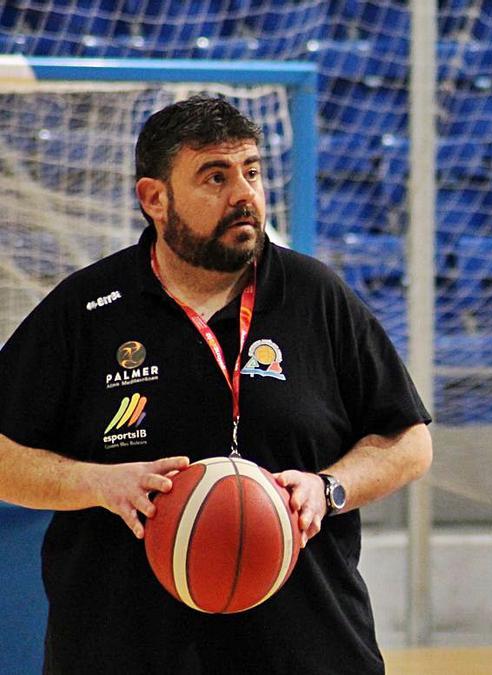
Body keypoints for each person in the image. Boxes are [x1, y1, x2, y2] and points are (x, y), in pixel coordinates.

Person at [0, 96, 433, 674]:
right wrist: (98, 483)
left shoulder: (315, 295)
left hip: (306, 652)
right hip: (122, 651)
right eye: (215, 176)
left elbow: (408, 442)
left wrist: (328, 488)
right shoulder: (88, 310)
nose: (244, 195)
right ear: (154, 198)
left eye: (252, 172)